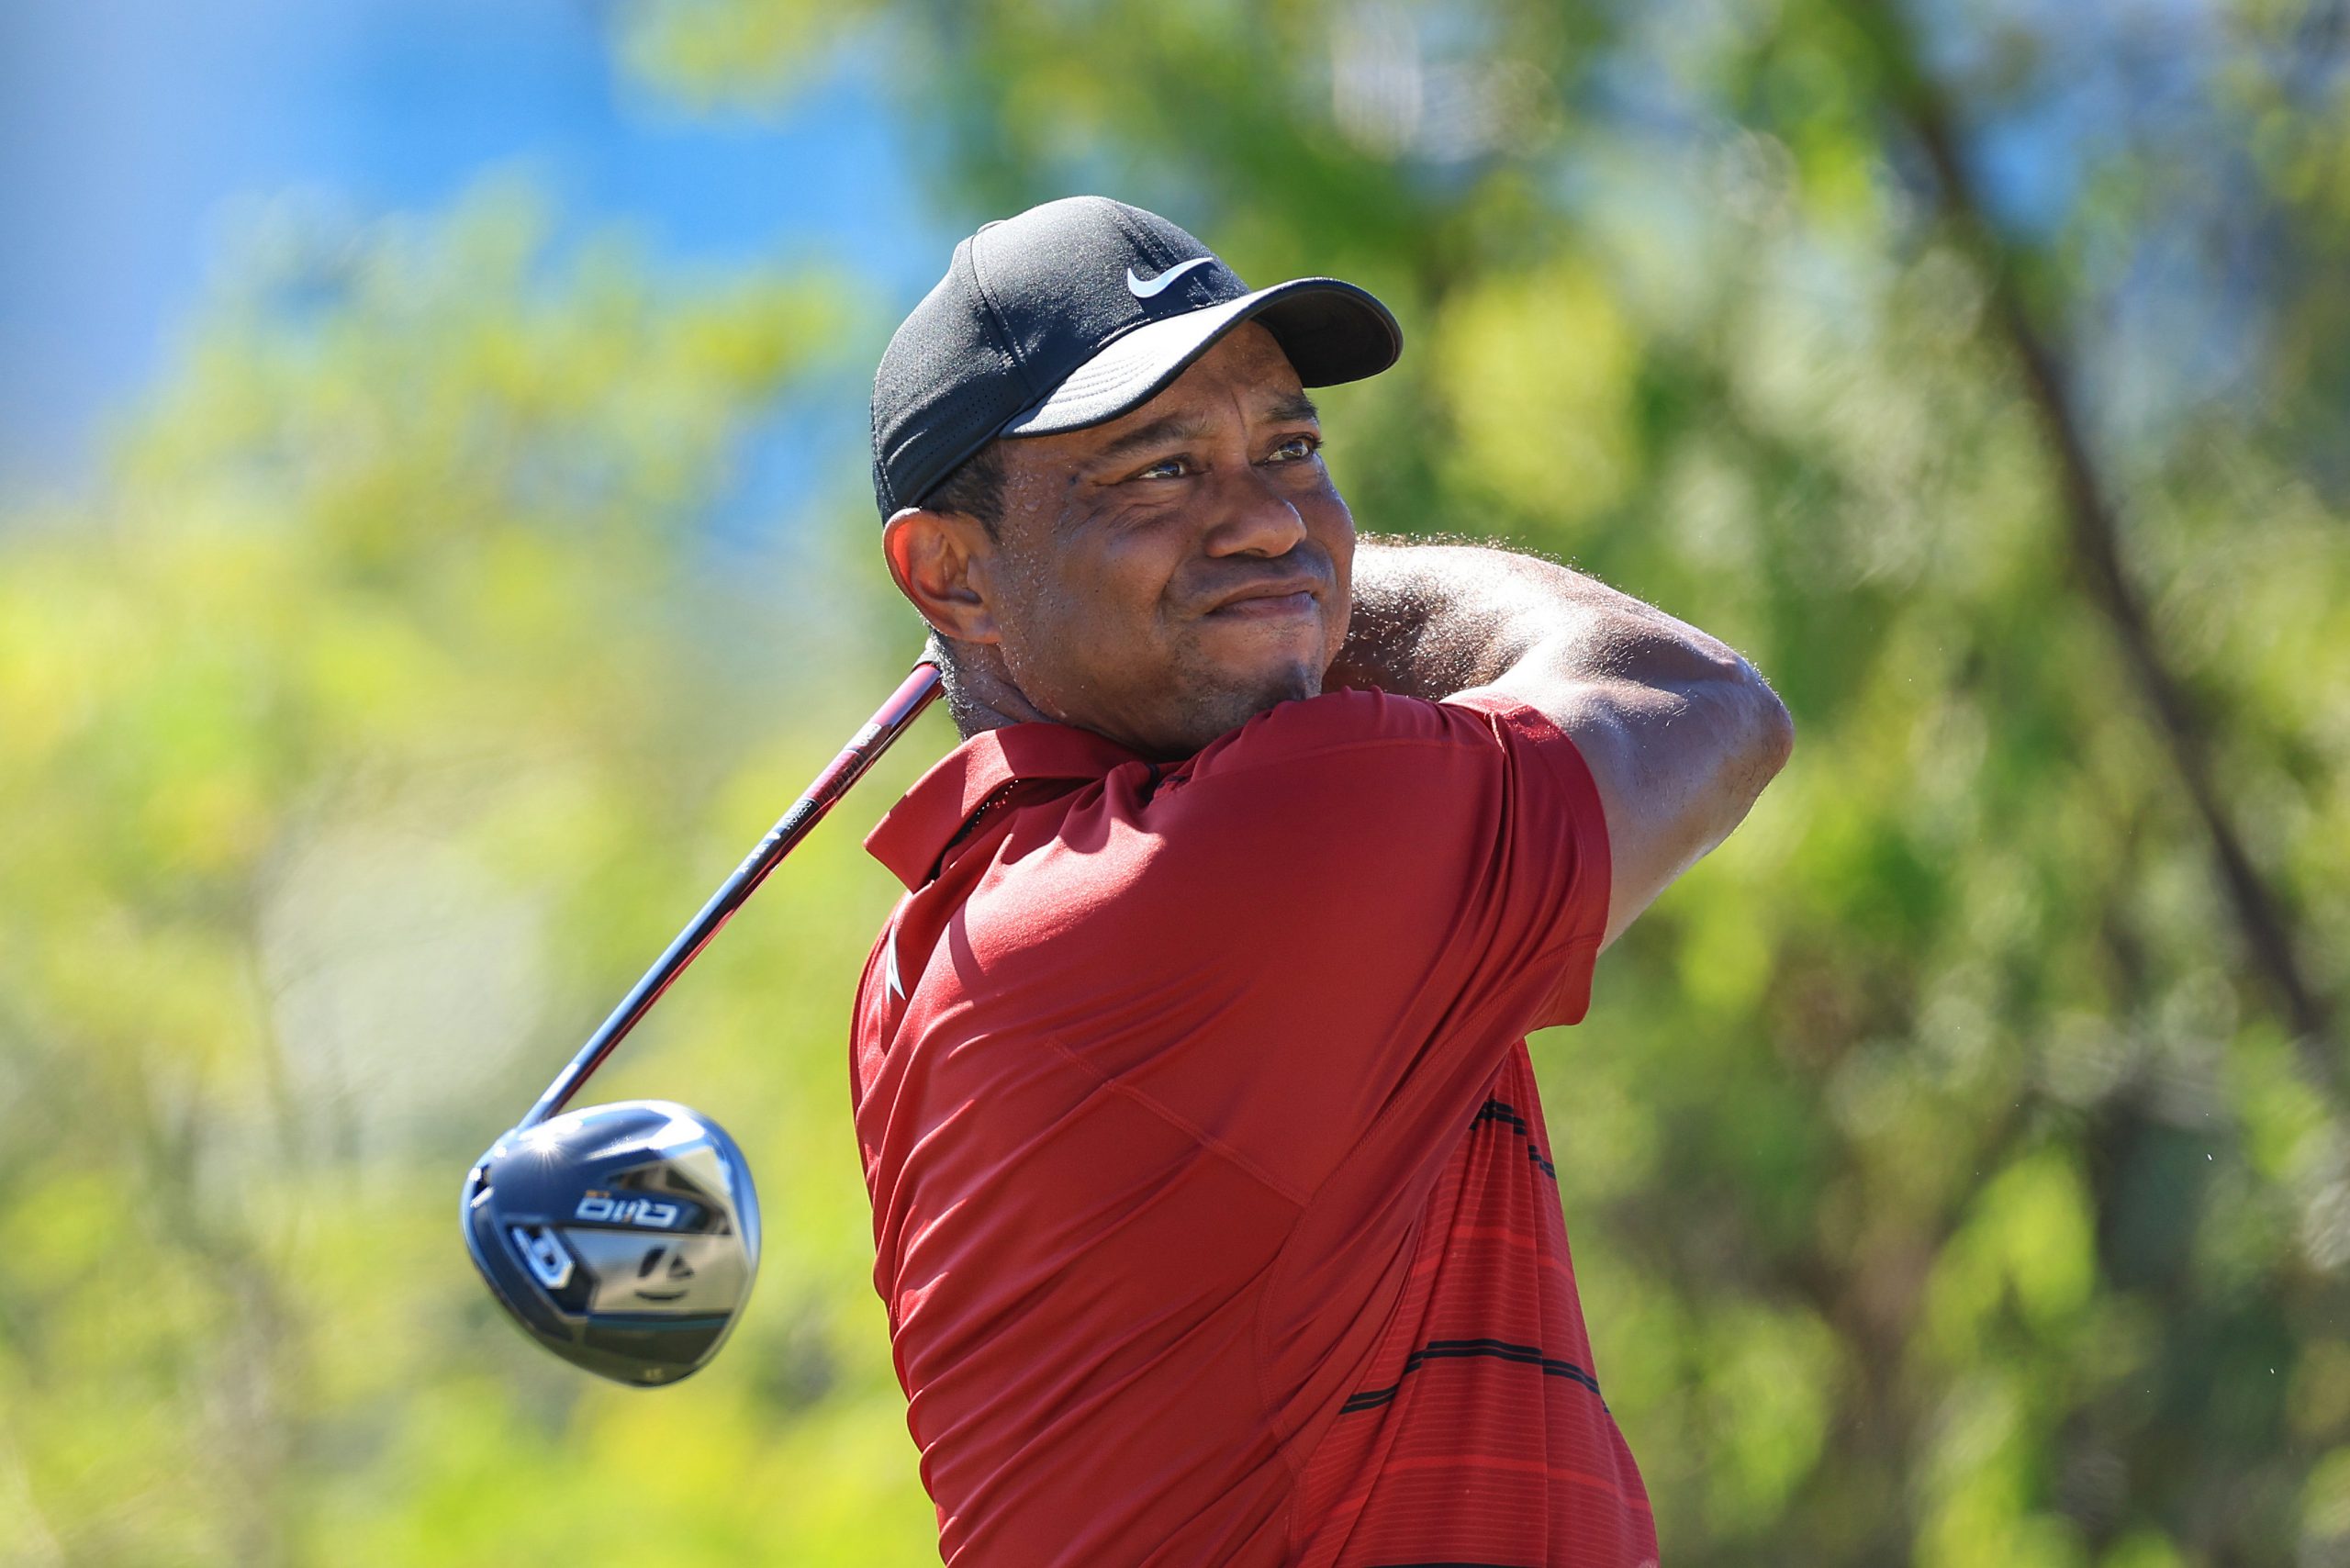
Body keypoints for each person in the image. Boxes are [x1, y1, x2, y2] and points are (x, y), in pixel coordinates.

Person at [852, 196, 1793, 1568]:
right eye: (1159, 472)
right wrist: (1304, 589)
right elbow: (1695, 700)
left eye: (1292, 451)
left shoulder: (934, 943)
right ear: (951, 576)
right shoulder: (1250, 852)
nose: (1263, 518)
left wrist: (1268, 587)